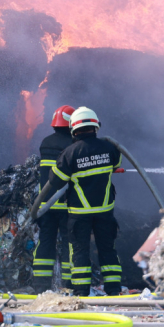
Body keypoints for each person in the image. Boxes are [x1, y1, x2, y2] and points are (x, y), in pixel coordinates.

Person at [45, 107, 123, 296]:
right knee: (108, 249)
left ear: (73, 129)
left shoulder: (70, 153)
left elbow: (55, 181)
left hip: (80, 213)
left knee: (79, 251)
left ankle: (81, 292)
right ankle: (113, 290)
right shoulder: (110, 148)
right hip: (105, 210)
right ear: (95, 126)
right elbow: (116, 165)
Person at [32, 105, 75, 292]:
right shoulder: (74, 145)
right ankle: (68, 285)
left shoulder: (45, 142)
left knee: (45, 243)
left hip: (46, 205)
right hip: (67, 205)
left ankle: (41, 285)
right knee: (69, 243)